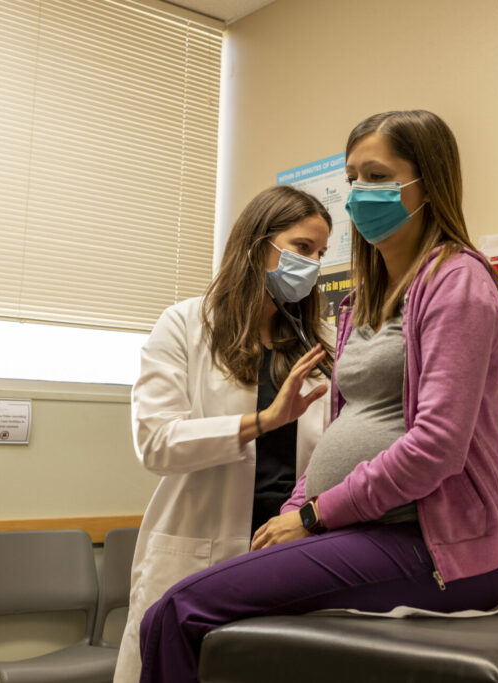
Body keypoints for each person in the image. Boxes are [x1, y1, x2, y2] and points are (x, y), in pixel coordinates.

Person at [137, 110, 498, 683]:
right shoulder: (360, 304)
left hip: (430, 542)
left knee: (181, 611)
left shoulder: (456, 282)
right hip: (363, 528)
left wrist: (312, 518)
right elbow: (335, 438)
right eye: (353, 178)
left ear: (427, 183)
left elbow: (436, 447)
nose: (360, 194)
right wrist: (295, 513)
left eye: (378, 176)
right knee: (175, 613)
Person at [113, 186, 334, 683]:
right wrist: (263, 421)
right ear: (258, 244)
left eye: (320, 254)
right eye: (302, 248)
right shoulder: (186, 326)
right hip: (197, 550)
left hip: (286, 554)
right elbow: (156, 442)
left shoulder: (316, 346)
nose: (314, 265)